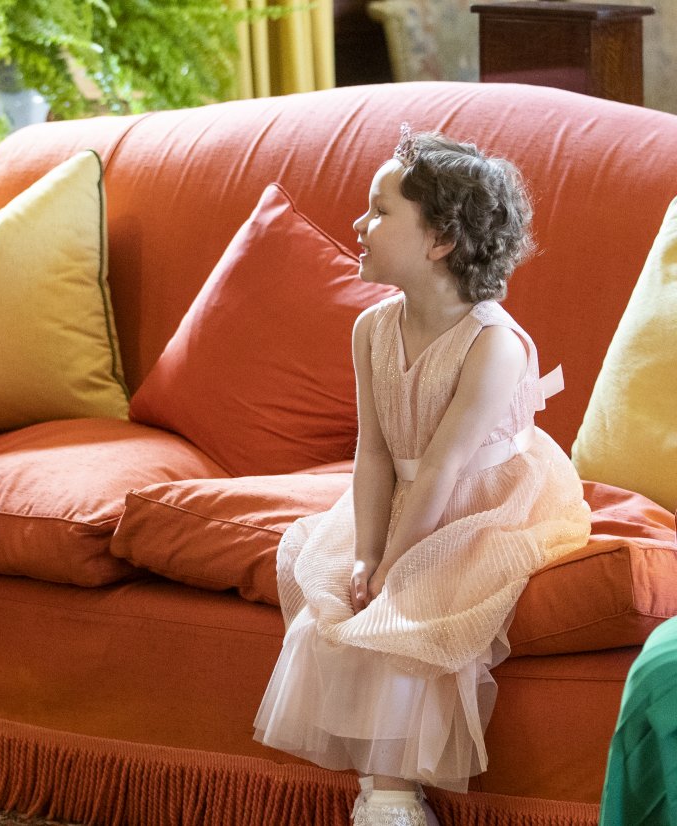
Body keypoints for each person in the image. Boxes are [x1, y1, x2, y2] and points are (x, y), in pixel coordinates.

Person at [252, 126, 591, 824]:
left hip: (482, 500)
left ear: (440, 240)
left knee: (415, 611)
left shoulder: (493, 346)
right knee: (334, 599)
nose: (359, 223)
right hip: (405, 493)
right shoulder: (371, 329)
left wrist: (394, 570)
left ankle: (392, 798)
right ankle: (381, 792)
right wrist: (368, 553)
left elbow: (443, 468)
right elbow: (374, 452)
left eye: (379, 210)